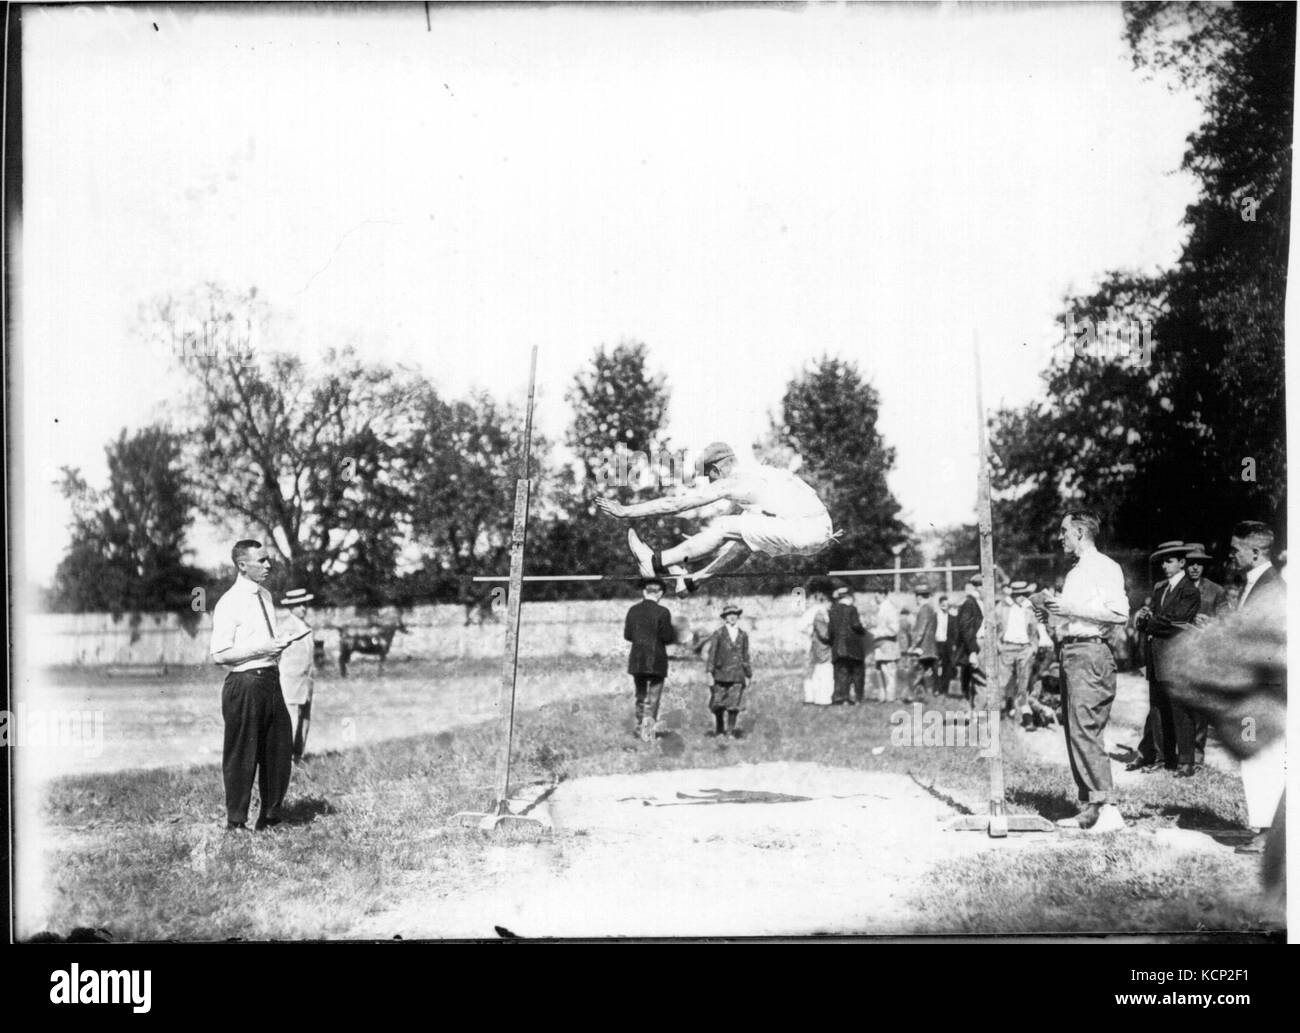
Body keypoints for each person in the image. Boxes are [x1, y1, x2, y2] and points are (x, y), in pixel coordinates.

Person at [597, 441, 835, 595]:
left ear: (716, 470)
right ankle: (692, 581)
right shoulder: (759, 475)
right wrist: (705, 540)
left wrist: (627, 511)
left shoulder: (734, 480)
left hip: (805, 528)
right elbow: (737, 518)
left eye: (709, 478)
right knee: (742, 544)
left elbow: (677, 504)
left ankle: (655, 561)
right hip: (819, 531)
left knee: (726, 527)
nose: (711, 484)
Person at [1034, 511, 1130, 833]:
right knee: (1075, 729)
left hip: (1090, 653)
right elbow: (1069, 621)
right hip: (1072, 651)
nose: (1060, 537)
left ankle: (1110, 811)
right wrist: (1047, 614)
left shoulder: (1104, 566)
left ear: (1079, 532)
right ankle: (1091, 808)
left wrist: (1070, 609)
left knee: (1086, 728)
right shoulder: (1077, 572)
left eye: (1063, 531)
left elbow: (1119, 613)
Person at [210, 540, 302, 832]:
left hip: (271, 681)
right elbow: (219, 654)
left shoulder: (265, 595)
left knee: (278, 748)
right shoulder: (230, 601)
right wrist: (262, 649)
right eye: (261, 560)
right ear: (242, 565)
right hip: (245, 683)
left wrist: (277, 647)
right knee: (241, 754)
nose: (268, 565)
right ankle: (236, 823)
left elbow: (265, 642)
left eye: (267, 560)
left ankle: (271, 817)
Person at [1224, 521, 1286, 855]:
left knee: (1263, 758)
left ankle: (1267, 832)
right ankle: (1262, 826)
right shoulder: (1255, 583)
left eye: (1235, 549)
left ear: (1255, 551)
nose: (1232, 555)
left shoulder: (1271, 587)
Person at [1130, 542, 1201, 776]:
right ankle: (1163, 758)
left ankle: (1186, 762)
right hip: (1156, 657)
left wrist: (1147, 624)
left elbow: (1175, 622)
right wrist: (1145, 620)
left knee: (1180, 711)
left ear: (1182, 562)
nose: (1164, 565)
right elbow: (1161, 619)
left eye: (1169, 560)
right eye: (1162, 561)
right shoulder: (1161, 589)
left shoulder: (1189, 590)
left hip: (1177, 658)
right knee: (1158, 709)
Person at [624, 578, 676, 742]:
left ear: (644, 592)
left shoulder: (633, 610)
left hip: (637, 659)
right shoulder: (663, 612)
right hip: (656, 660)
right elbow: (667, 637)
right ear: (660, 593)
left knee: (640, 696)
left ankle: (640, 728)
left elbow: (628, 635)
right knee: (653, 699)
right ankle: (647, 734)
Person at [278, 588, 316, 764]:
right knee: (291, 718)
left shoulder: (307, 626)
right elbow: (277, 654)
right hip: (290, 680)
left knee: (305, 718)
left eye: (305, 604)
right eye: (298, 605)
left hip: (307, 680)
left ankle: (298, 757)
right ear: (291, 607)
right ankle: (285, 760)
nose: (303, 607)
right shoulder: (285, 627)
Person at [703, 603, 753, 738]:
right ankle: (720, 729)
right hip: (720, 674)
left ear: (738, 617)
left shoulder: (743, 635)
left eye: (735, 615)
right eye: (729, 615)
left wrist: (748, 674)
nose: (732, 617)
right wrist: (709, 673)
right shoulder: (718, 633)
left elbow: (745, 655)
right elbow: (712, 654)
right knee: (717, 703)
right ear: (725, 617)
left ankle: (730, 731)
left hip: (737, 674)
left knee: (734, 704)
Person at [997, 581, 1041, 727]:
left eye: (1024, 594)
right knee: (1003, 682)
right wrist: (999, 646)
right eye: (1018, 594)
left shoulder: (1030, 611)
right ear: (1013, 595)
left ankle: (1026, 718)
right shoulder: (1003, 609)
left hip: (1024, 649)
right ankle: (1003, 711)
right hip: (1007, 648)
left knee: (1023, 683)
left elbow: (1035, 633)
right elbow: (993, 628)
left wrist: (1033, 648)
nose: (1021, 597)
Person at [827, 584, 868, 705]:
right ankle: (858, 699)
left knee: (842, 674)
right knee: (857, 673)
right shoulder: (852, 609)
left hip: (838, 649)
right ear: (850, 597)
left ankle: (843, 698)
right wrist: (863, 630)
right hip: (853, 648)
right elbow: (856, 625)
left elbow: (831, 631)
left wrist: (832, 643)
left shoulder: (832, 610)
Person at [802, 579, 835, 706]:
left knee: (815, 672)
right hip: (818, 646)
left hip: (815, 644)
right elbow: (823, 633)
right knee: (820, 672)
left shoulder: (818, 611)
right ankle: (820, 698)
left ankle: (812, 697)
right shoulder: (819, 612)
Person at [868, 582, 901, 703]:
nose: (875, 598)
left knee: (889, 673)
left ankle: (890, 697)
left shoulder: (890, 609)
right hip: (879, 646)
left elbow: (894, 629)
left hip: (888, 645)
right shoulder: (881, 608)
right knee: (880, 671)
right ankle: (882, 696)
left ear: (883, 594)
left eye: (877, 595)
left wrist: (877, 632)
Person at [955, 575, 985, 704]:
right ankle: (970, 707)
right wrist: (972, 650)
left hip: (978, 645)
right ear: (977, 587)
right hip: (972, 646)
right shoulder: (969, 603)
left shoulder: (980, 602)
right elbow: (966, 628)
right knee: (971, 679)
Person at [908, 582, 940, 699]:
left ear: (919, 597)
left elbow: (920, 629)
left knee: (916, 673)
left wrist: (913, 645)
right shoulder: (932, 609)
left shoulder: (924, 609)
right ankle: (922, 696)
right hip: (930, 647)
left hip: (922, 648)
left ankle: (914, 697)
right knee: (924, 674)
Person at [935, 594, 954, 695]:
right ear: (939, 605)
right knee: (937, 667)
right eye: (942, 604)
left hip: (947, 644)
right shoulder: (935, 616)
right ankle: (937, 687)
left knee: (947, 667)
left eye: (946, 605)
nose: (944, 606)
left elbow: (954, 633)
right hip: (937, 643)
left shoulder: (952, 618)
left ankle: (944, 689)